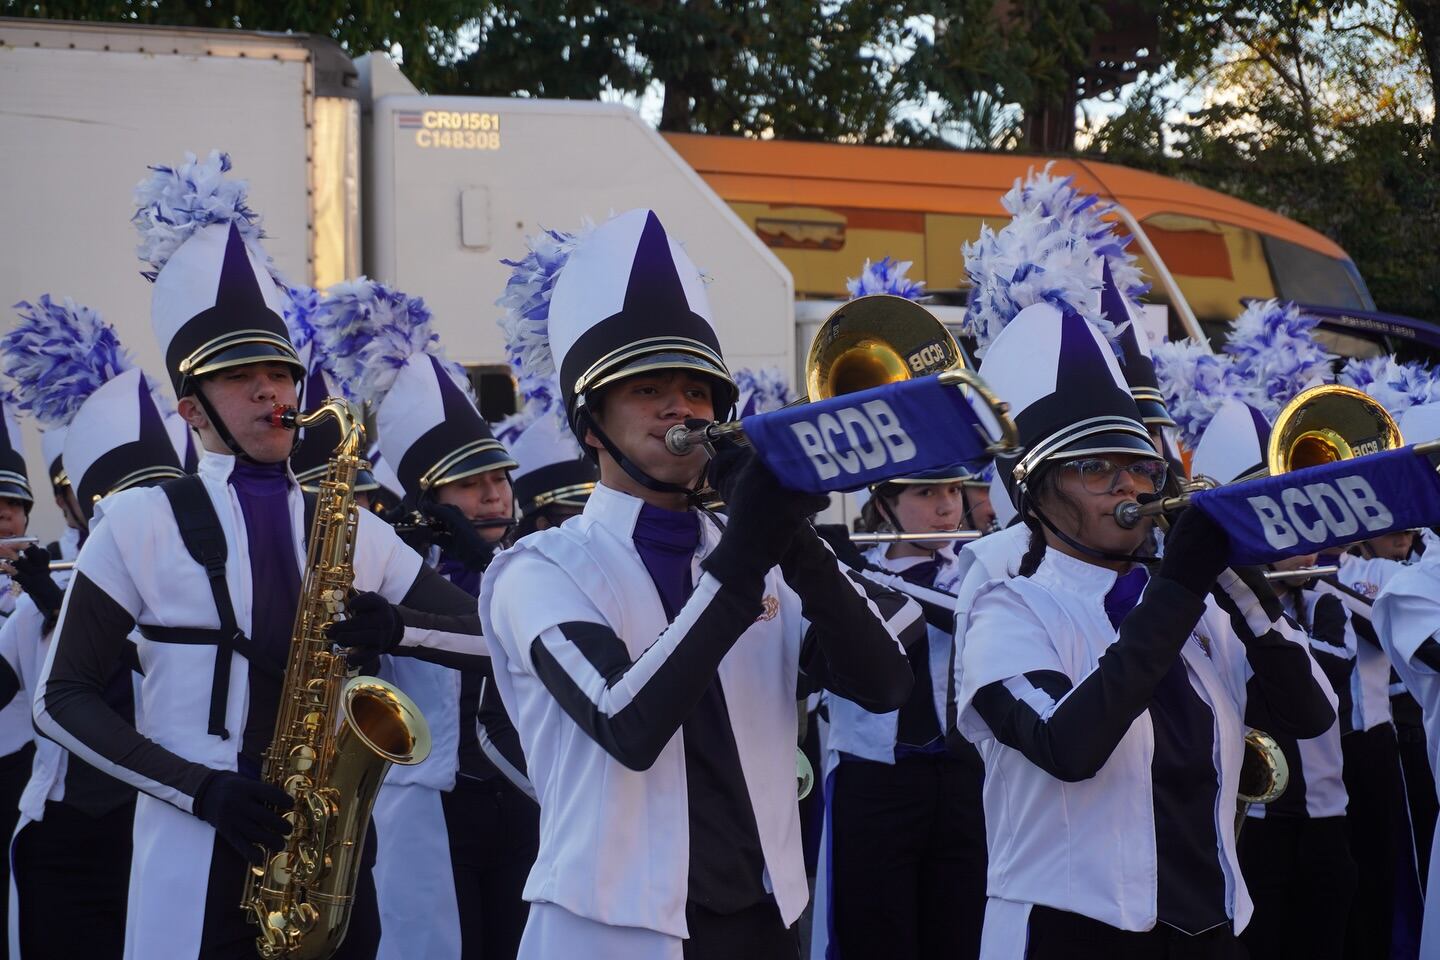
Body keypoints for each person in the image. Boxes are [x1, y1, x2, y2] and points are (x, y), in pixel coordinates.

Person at [30, 212, 488, 959]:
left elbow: (490, 635)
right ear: (191, 409)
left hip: (325, 850)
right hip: (192, 842)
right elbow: (62, 696)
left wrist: (400, 626)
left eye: (279, 372)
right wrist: (197, 788)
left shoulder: (356, 529)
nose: (269, 390)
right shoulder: (138, 522)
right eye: (241, 376)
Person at [480, 208, 921, 959]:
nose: (681, 408)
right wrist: (749, 550)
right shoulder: (538, 569)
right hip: (612, 933)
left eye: (696, 390)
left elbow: (884, 685)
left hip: (767, 923)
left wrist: (797, 539)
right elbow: (627, 723)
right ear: (591, 424)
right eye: (648, 389)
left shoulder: (754, 549)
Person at [954, 302, 1335, 959]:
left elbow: (1313, 714)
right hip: (1065, 936)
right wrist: (1181, 585)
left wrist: (1247, 588)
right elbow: (1066, 745)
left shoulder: (1188, 601)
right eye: (1096, 468)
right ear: (1036, 492)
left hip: (1211, 933)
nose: (1128, 484)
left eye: (1139, 467)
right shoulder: (1006, 601)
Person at [304, 275, 536, 960]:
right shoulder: (389, 564)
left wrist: (486, 561)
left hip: (520, 799)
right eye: (472, 484)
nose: (494, 494)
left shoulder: (535, 563)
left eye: (498, 478)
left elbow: (515, 643)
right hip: (426, 805)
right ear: (427, 499)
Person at [0, 341, 189, 958]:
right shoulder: (40, 598)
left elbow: (148, 673)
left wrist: (63, 610)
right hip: (64, 835)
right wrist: (46, 603)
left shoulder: (207, 606)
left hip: (162, 824)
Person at [823, 466, 987, 960]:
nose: (946, 508)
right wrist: (836, 573)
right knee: (874, 932)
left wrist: (858, 574)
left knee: (961, 930)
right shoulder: (842, 572)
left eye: (955, 492)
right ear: (885, 502)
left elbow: (961, 618)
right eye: (926, 493)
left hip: (964, 777)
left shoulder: (981, 568)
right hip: (873, 779)